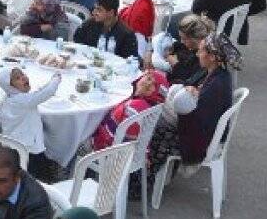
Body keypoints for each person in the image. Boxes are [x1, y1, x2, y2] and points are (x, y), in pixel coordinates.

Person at [149, 34, 238, 173]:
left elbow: (198, 125)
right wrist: (193, 91)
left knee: (153, 124)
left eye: (201, 50)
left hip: (200, 142)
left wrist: (179, 104)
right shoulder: (219, 74)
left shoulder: (217, 85)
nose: (197, 54)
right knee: (164, 103)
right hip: (203, 132)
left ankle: (145, 177)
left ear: (213, 57)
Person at [91, 69, 168, 151]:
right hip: (124, 155)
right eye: (148, 78)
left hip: (107, 154)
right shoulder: (149, 107)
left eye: (155, 85)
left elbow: (116, 142)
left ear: (157, 93)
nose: (148, 84)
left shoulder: (135, 107)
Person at [0, 67, 62, 164]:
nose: (23, 78)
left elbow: (38, 92)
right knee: (31, 171)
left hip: (13, 145)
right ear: (9, 86)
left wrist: (49, 82)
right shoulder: (22, 101)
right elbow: (47, 93)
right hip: (29, 148)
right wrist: (56, 80)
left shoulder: (8, 98)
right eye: (17, 78)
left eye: (23, 74)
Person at [150, 14, 213, 86]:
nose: (182, 41)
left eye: (184, 39)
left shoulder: (204, 58)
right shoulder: (190, 47)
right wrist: (172, 47)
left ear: (194, 39)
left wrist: (176, 64)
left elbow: (190, 80)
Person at [73, 0, 137, 59]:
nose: (94, 12)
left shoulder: (126, 35)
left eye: (99, 10)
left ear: (111, 13)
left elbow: (128, 61)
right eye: (95, 8)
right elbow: (77, 42)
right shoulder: (89, 25)